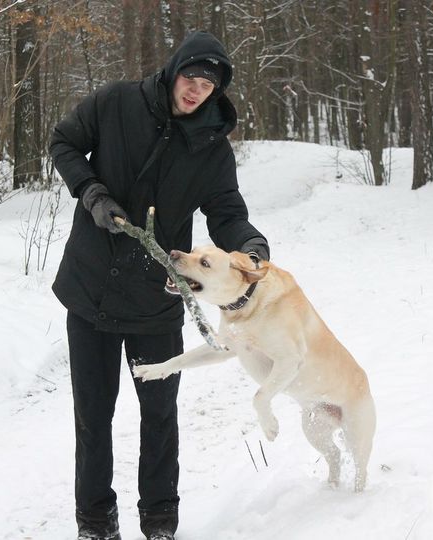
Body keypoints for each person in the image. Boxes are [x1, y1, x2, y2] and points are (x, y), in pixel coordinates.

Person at [49, 30, 269, 540]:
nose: (196, 91)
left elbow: (226, 212)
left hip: (157, 296)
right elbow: (64, 141)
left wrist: (250, 244)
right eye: (191, 78)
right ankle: (95, 524)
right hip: (91, 288)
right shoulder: (116, 103)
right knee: (92, 417)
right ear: (174, 71)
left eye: (208, 86)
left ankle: (160, 522)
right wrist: (92, 192)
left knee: (159, 416)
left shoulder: (212, 147)